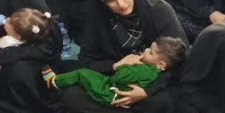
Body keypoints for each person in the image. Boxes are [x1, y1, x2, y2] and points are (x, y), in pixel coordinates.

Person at [63, 0, 185, 113]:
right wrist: (115, 65)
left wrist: (146, 91)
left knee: (165, 101)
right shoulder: (98, 18)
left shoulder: (159, 11)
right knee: (71, 95)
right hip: (114, 85)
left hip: (153, 85)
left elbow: (180, 61)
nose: (121, 4)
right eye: (110, 0)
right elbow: (87, 61)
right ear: (103, 2)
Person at [51, 36, 186, 106]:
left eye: (150, 52)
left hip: (110, 93)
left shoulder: (145, 70)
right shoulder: (150, 69)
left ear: (161, 64)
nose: (145, 50)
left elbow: (120, 77)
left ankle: (53, 81)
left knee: (82, 74)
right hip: (113, 87)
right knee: (83, 76)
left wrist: (124, 64)